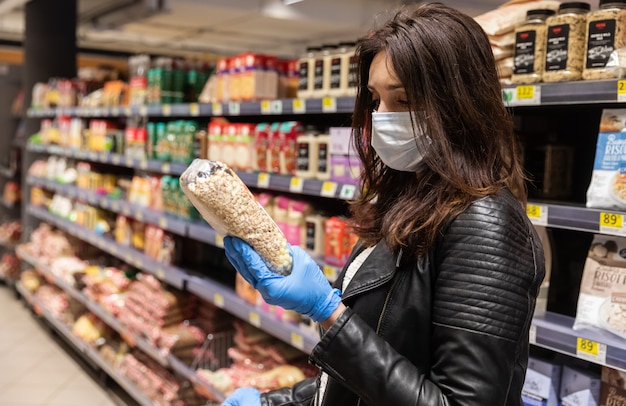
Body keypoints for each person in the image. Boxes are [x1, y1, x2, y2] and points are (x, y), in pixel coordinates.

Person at [221, 2, 545, 405]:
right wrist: (280, 402)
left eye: (404, 101)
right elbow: (376, 371)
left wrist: (329, 312)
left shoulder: (485, 224)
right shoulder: (410, 199)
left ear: (461, 106)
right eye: (375, 100)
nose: (382, 117)